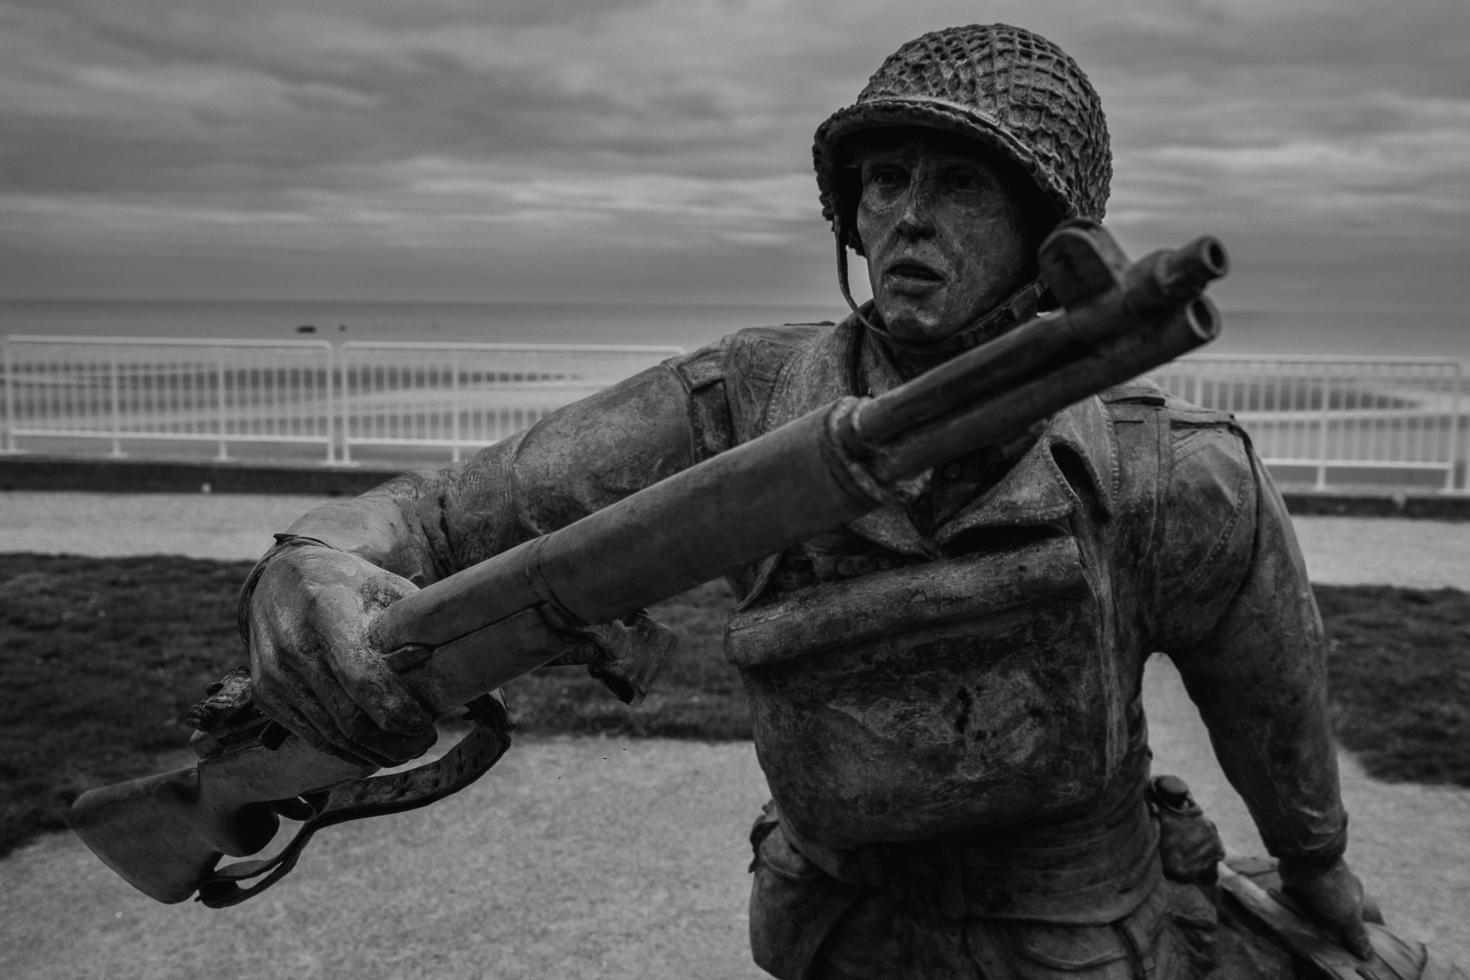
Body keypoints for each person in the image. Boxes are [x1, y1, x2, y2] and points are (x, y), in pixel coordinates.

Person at [242, 23, 1374, 979]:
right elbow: (444, 516)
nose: (909, 216)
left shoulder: (1174, 475)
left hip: (1073, 939)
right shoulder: (743, 400)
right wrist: (315, 563)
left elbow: (1272, 701)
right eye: (887, 178)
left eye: (962, 181)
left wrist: (1317, 868)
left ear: (1053, 232)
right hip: (829, 924)